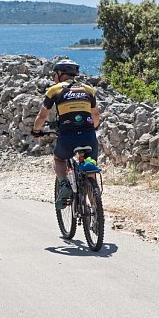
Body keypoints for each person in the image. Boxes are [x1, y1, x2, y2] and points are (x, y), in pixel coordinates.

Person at [31, 58, 101, 208]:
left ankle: (63, 184)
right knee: (90, 170)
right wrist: (93, 128)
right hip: (89, 136)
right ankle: (95, 211)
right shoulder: (88, 89)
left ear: (60, 74)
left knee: (59, 159)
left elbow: (42, 116)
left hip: (68, 136)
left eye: (55, 74)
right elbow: (96, 116)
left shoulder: (55, 90)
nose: (54, 77)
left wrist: (36, 130)